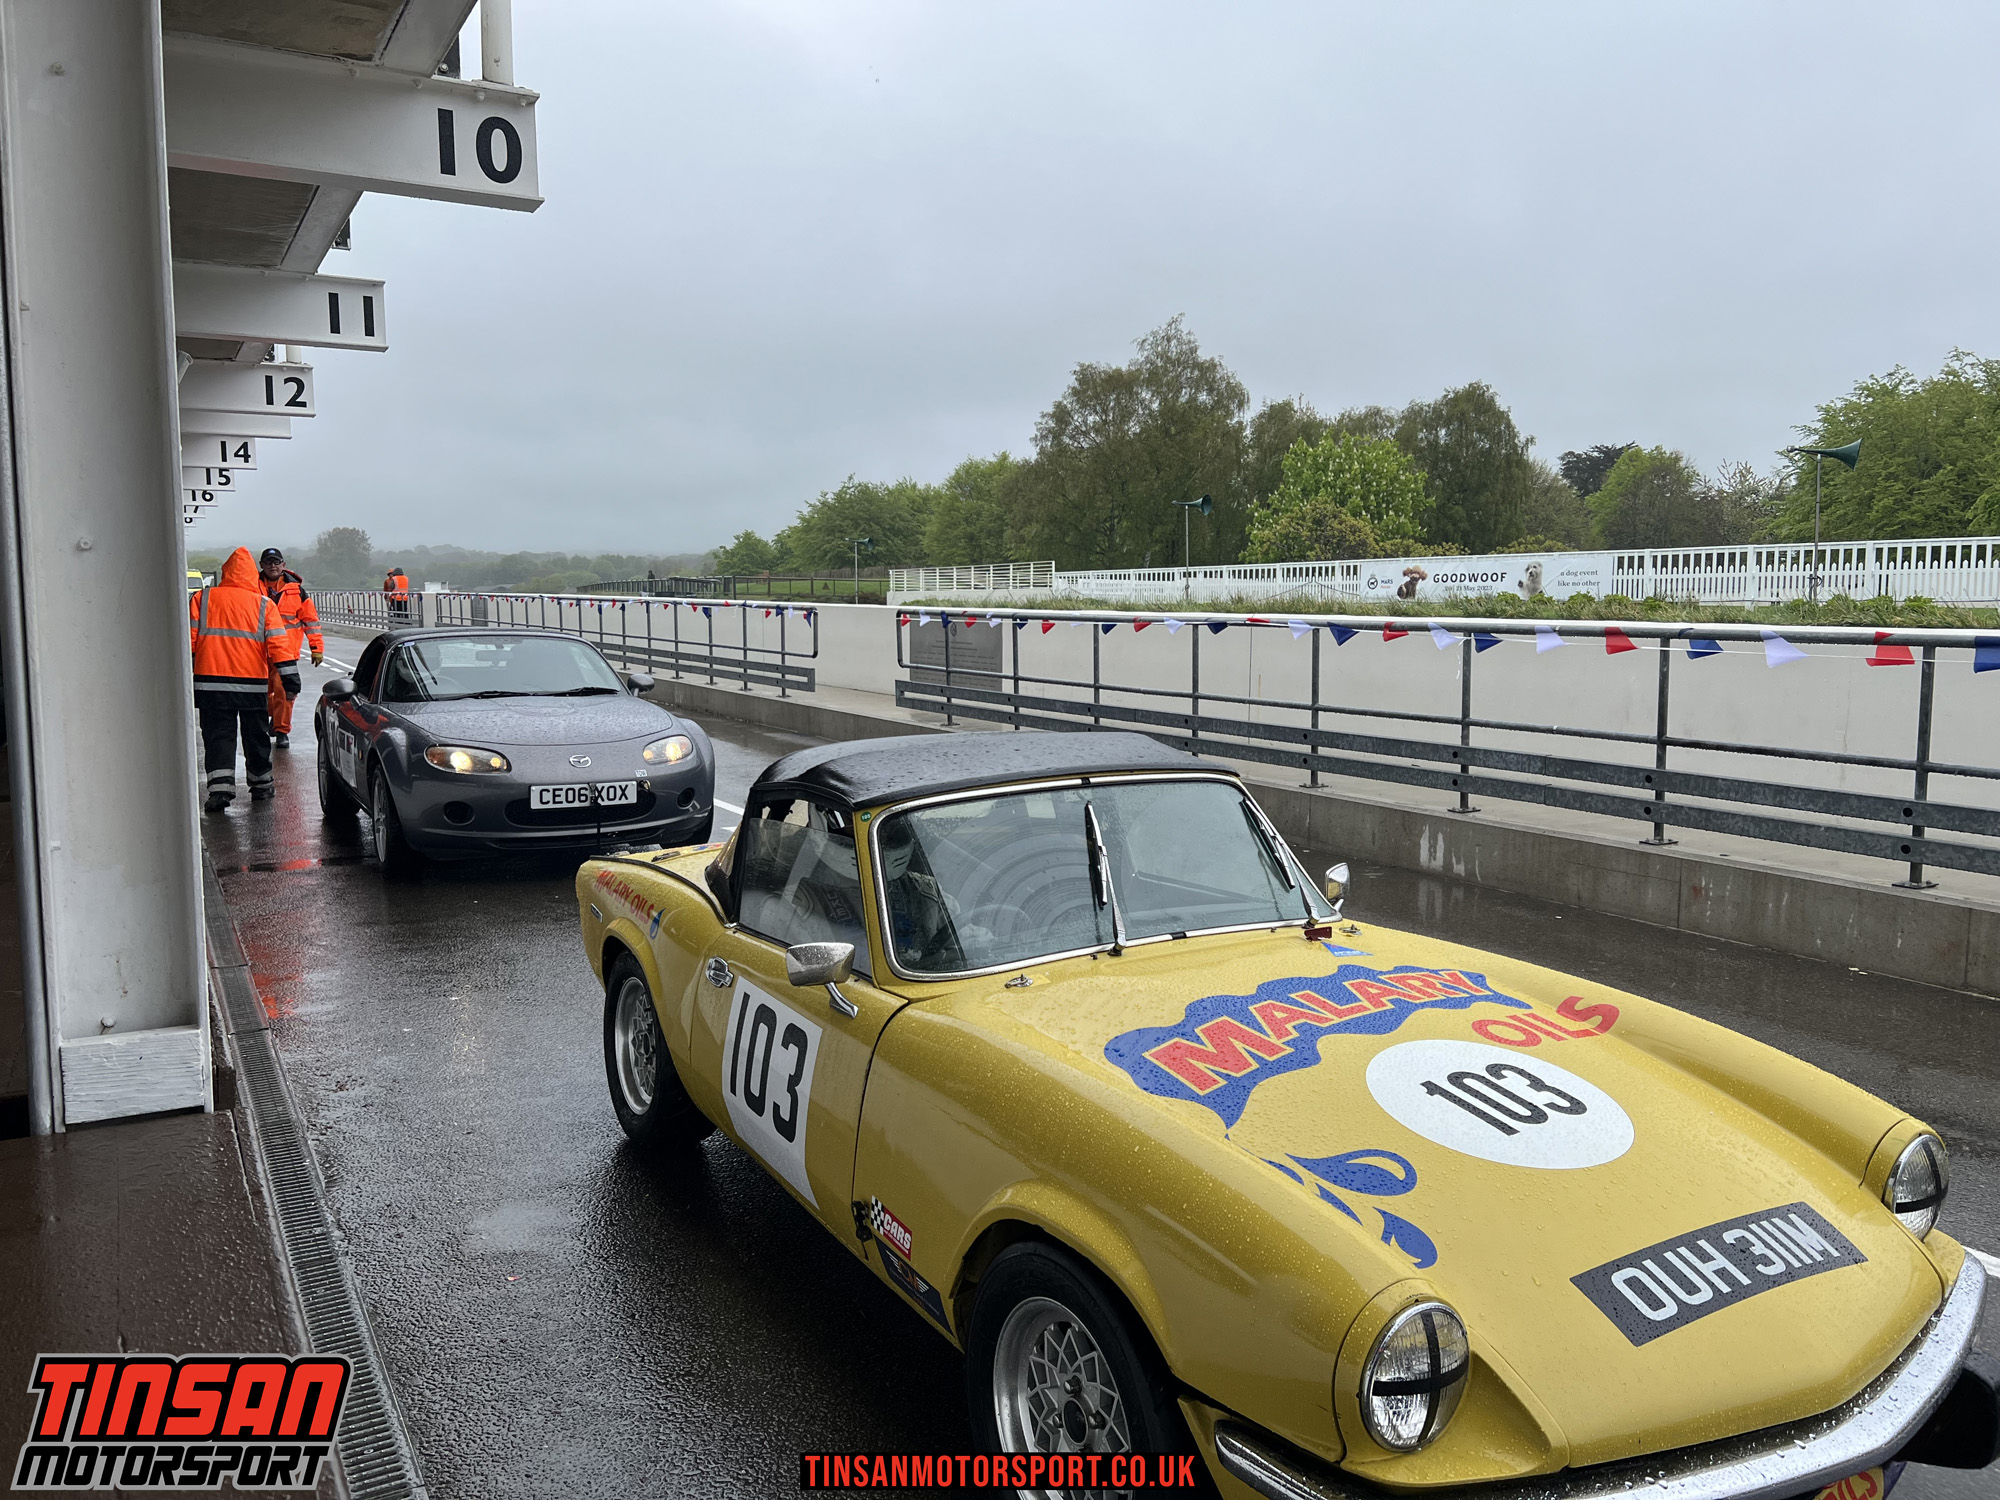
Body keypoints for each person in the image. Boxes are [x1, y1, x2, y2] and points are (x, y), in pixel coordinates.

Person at [191, 546, 292, 812]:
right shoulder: (264, 604)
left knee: (217, 736)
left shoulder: (203, 598)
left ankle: (220, 790)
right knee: (256, 735)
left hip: (210, 683)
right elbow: (279, 645)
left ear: (226, 572)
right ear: (252, 574)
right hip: (252, 684)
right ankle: (261, 785)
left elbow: (189, 641)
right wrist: (290, 678)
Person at [258, 547, 322, 749]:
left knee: (284, 691)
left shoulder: (298, 591)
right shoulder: (252, 587)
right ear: (261, 565)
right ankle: (272, 720)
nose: (273, 566)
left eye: (276, 562)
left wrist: (316, 647)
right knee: (262, 691)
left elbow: (311, 621)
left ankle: (282, 731)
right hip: (258, 651)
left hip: (286, 653)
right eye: (268, 562)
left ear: (283, 565)